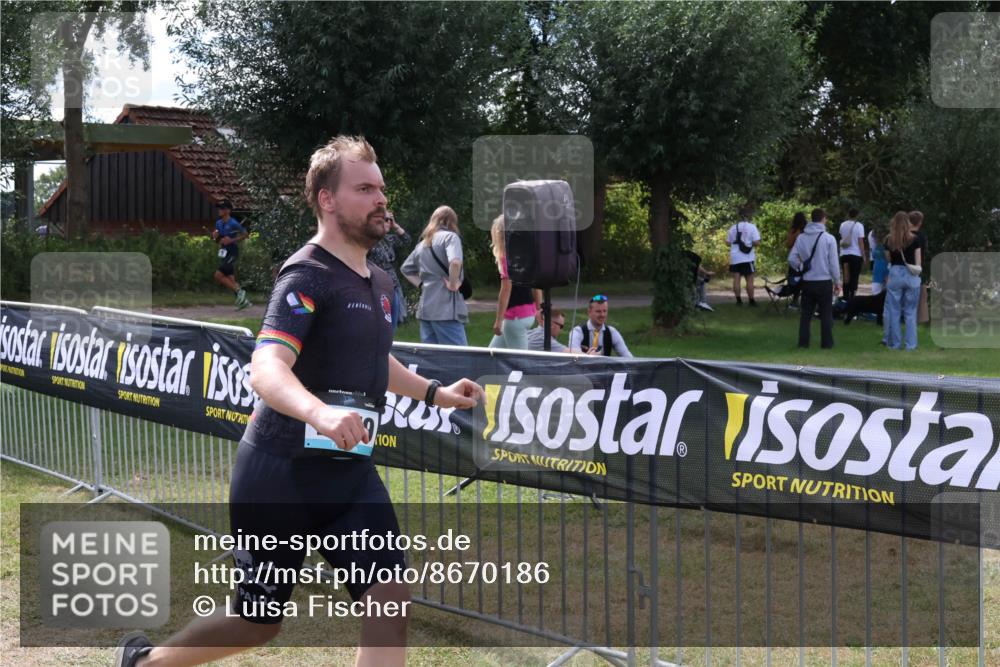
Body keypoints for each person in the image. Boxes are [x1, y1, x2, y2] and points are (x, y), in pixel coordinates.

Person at [114, 136, 485, 667]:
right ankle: (146, 663)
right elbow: (266, 366)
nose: (381, 199)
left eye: (380, 188)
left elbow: (372, 358)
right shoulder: (307, 274)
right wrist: (319, 412)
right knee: (257, 621)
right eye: (364, 189)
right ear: (327, 200)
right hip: (279, 475)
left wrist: (434, 393)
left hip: (350, 474)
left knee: (389, 600)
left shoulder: (381, 282)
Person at [400, 205, 469, 346]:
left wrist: (421, 284)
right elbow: (455, 262)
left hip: (425, 309)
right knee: (458, 356)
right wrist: (453, 283)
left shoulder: (422, 244)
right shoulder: (451, 237)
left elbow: (406, 269)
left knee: (431, 356)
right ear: (452, 221)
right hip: (446, 309)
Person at [788, 208, 842, 349]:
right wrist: (837, 281)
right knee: (826, 314)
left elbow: (791, 258)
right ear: (823, 219)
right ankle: (827, 343)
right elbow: (833, 263)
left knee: (806, 314)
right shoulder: (829, 238)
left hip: (807, 281)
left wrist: (800, 267)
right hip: (824, 281)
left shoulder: (802, 237)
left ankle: (803, 342)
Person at [488, 215, 542, 349]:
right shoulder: (526, 255)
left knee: (520, 359)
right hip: (527, 313)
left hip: (515, 317)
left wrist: (498, 320)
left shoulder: (507, 258)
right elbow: (536, 286)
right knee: (492, 353)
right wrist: (539, 309)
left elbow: (506, 290)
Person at [884, 210, 923, 350]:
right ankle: (910, 345)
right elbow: (918, 262)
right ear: (907, 223)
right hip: (911, 274)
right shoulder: (915, 239)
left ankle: (895, 344)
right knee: (910, 312)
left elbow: (888, 259)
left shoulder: (889, 240)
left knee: (894, 311)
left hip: (895, 274)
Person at [366, 210, 411, 331]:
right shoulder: (369, 240)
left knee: (392, 324)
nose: (388, 223)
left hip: (393, 285)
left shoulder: (388, 239)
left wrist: (395, 226)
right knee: (379, 324)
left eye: (389, 220)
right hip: (376, 287)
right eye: (385, 220)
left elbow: (407, 240)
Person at [211, 199, 251, 310]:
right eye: (219, 208)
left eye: (222, 208)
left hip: (232, 253)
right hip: (224, 252)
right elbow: (218, 239)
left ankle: (240, 291)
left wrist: (232, 240)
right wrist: (215, 237)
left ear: (228, 210)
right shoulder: (218, 223)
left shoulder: (233, 223)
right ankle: (244, 302)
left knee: (218, 275)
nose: (220, 210)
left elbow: (245, 235)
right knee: (230, 279)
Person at [567, 295, 633, 357]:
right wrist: (588, 357)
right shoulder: (577, 331)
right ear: (589, 312)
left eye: (605, 311)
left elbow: (627, 357)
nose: (602, 315)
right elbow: (574, 356)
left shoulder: (612, 332)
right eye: (598, 311)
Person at [725, 206, 761, 306]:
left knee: (736, 279)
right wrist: (750, 243)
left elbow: (727, 243)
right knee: (749, 279)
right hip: (747, 257)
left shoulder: (733, 227)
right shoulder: (752, 227)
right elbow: (756, 242)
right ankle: (751, 301)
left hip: (735, 257)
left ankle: (738, 301)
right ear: (748, 216)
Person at [838, 208, 867, 301]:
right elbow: (860, 242)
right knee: (854, 276)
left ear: (848, 215)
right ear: (857, 215)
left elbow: (842, 237)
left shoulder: (842, 225)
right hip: (855, 255)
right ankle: (852, 298)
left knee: (846, 277)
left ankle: (845, 297)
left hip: (844, 254)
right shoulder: (859, 226)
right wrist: (864, 256)